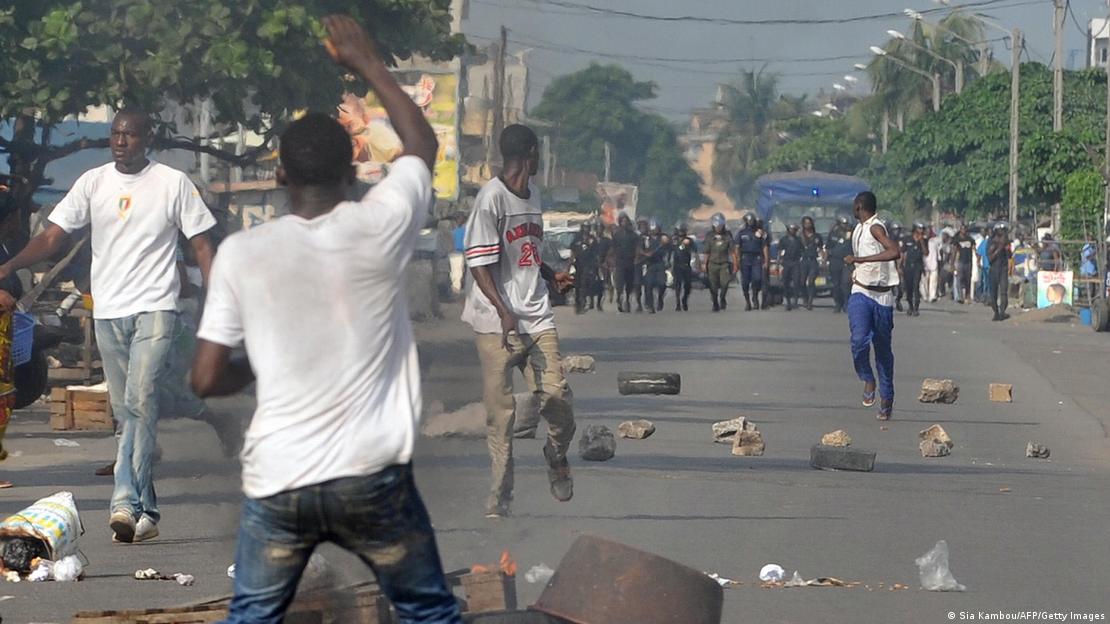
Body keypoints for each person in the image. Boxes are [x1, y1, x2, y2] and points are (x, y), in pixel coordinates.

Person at [190, 17, 461, 624]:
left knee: (253, 617)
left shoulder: (242, 255)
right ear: (354, 173)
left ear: (281, 176)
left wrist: (261, 362)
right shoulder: (380, 224)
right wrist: (367, 62)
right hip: (372, 478)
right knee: (428, 612)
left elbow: (206, 378)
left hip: (280, 480)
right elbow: (420, 147)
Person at [0, 105, 217, 542]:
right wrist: (9, 266)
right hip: (109, 310)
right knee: (127, 410)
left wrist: (219, 300)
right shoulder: (93, 182)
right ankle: (147, 513)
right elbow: (53, 235)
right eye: (116, 135)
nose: (121, 142)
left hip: (156, 306)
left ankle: (123, 500)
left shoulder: (172, 183)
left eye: (130, 135)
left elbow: (201, 245)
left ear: (146, 138)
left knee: (140, 398)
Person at [461, 123, 576, 519]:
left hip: (537, 317)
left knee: (557, 398)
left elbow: (525, 250)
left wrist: (550, 273)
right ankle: (500, 493)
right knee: (501, 414)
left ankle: (556, 455)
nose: (541, 158)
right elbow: (478, 262)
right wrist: (504, 309)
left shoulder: (535, 195)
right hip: (496, 326)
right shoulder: (491, 199)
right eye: (539, 152)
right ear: (529, 153)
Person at [844, 191, 901, 421]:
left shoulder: (875, 228)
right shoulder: (857, 229)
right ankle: (867, 377)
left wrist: (859, 261)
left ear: (858, 206)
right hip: (861, 291)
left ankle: (887, 398)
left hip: (882, 297)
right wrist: (858, 270)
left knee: (883, 352)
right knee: (858, 340)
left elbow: (894, 251)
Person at [703, 213, 734, 312]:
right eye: (716, 225)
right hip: (712, 264)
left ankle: (722, 298)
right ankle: (715, 302)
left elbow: (732, 250)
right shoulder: (709, 236)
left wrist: (736, 263)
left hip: (724, 263)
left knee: (725, 283)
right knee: (713, 285)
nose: (718, 228)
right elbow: (707, 251)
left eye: (720, 225)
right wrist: (704, 264)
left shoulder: (727, 236)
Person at [735, 213, 765, 311]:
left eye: (752, 220)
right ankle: (747, 301)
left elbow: (764, 246)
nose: (750, 222)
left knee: (757, 278)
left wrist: (765, 259)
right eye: (749, 221)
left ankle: (755, 296)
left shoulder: (760, 232)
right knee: (745, 282)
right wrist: (737, 260)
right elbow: (737, 247)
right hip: (745, 258)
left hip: (756, 258)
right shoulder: (741, 233)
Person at [638, 219, 668, 313]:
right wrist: (645, 254)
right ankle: (649, 305)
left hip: (660, 264)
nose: (654, 230)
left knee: (662, 284)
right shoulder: (645, 239)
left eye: (655, 228)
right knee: (648, 284)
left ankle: (660, 298)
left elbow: (670, 247)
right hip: (649, 264)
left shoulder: (663, 238)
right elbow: (639, 249)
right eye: (652, 228)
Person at [611, 214, 638, 313]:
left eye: (626, 221)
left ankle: (627, 300)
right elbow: (613, 248)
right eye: (622, 221)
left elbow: (637, 248)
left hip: (630, 262)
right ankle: (619, 299)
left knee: (629, 283)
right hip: (620, 262)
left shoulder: (633, 235)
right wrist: (612, 260)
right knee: (619, 283)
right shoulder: (616, 235)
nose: (624, 223)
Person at [826, 215, 853, 313]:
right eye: (843, 224)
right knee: (836, 285)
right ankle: (838, 304)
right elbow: (828, 248)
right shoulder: (833, 234)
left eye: (846, 223)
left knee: (845, 284)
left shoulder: (851, 233)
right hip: (835, 261)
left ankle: (846, 303)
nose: (845, 225)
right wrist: (825, 260)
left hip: (847, 262)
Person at [901, 223, 928, 317]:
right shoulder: (907, 239)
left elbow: (926, 253)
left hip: (918, 266)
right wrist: (899, 266)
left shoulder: (924, 240)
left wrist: (921, 242)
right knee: (909, 287)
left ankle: (916, 307)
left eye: (922, 229)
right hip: (908, 266)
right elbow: (902, 253)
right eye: (919, 228)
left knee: (916, 286)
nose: (921, 230)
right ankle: (910, 306)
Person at [571, 228, 600, 314]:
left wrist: (597, 265)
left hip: (589, 265)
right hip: (578, 265)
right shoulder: (577, 239)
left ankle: (583, 301)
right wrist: (569, 264)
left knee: (585, 283)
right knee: (577, 284)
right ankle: (577, 304)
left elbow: (596, 253)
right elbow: (573, 252)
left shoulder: (592, 240)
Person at [799, 216, 825, 310]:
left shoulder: (817, 236)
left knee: (811, 281)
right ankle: (805, 299)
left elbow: (821, 249)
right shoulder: (800, 236)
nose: (807, 225)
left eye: (809, 223)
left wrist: (823, 261)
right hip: (803, 261)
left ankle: (810, 301)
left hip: (813, 260)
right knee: (802, 282)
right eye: (805, 223)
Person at [988, 223, 1012, 321]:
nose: (1003, 234)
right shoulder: (991, 242)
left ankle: (1002, 312)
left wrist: (1007, 249)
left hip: (1003, 269)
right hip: (993, 269)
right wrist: (999, 248)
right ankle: (996, 312)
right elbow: (990, 258)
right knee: (993, 294)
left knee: (1003, 292)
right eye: (1001, 231)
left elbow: (1010, 256)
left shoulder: (1006, 244)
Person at [777, 223, 803, 311]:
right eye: (792, 229)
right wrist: (779, 259)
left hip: (795, 262)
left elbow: (802, 250)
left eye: (795, 230)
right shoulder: (783, 240)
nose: (793, 231)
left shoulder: (798, 240)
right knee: (785, 282)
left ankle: (795, 301)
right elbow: (780, 250)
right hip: (786, 262)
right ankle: (788, 302)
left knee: (796, 282)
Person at [671, 223, 694, 311]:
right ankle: (677, 303)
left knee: (688, 285)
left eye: (682, 231)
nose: (681, 232)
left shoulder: (689, 241)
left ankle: (684, 299)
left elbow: (694, 251)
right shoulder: (673, 241)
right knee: (677, 285)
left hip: (686, 265)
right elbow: (669, 251)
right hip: (677, 265)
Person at [952, 224, 975, 304]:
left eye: (965, 229)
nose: (963, 230)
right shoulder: (957, 239)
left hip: (968, 261)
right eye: (962, 229)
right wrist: (952, 262)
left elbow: (974, 249)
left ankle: (967, 296)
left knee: (968, 279)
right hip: (960, 261)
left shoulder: (970, 239)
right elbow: (954, 251)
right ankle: (960, 296)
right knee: (959, 279)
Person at [755, 217, 772, 309]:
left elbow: (766, 247)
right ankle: (755, 300)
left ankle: (764, 302)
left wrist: (766, 261)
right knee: (755, 281)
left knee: (765, 283)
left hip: (762, 259)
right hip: (753, 260)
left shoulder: (765, 234)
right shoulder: (750, 233)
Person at [888, 222, 905, 312]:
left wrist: (899, 266)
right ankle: (889, 303)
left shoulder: (900, 241)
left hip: (897, 264)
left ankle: (898, 300)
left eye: (898, 230)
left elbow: (901, 253)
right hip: (888, 265)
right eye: (895, 230)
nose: (897, 232)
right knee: (889, 286)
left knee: (900, 286)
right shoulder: (887, 240)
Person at [924, 227, 940, 302]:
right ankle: (925, 295)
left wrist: (939, 259)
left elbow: (938, 252)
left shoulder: (934, 241)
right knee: (925, 281)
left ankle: (932, 296)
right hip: (925, 264)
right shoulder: (922, 240)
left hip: (934, 263)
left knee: (933, 281)